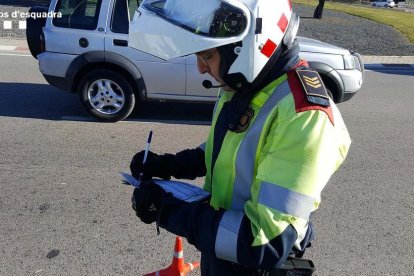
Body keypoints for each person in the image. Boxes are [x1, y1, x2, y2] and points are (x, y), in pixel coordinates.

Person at [128, 0, 351, 275]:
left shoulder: (303, 115)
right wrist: (171, 165)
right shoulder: (248, 82)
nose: (201, 68)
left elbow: (263, 242)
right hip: (220, 247)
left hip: (249, 264)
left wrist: (166, 210)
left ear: (248, 47)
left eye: (206, 56)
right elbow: (227, 149)